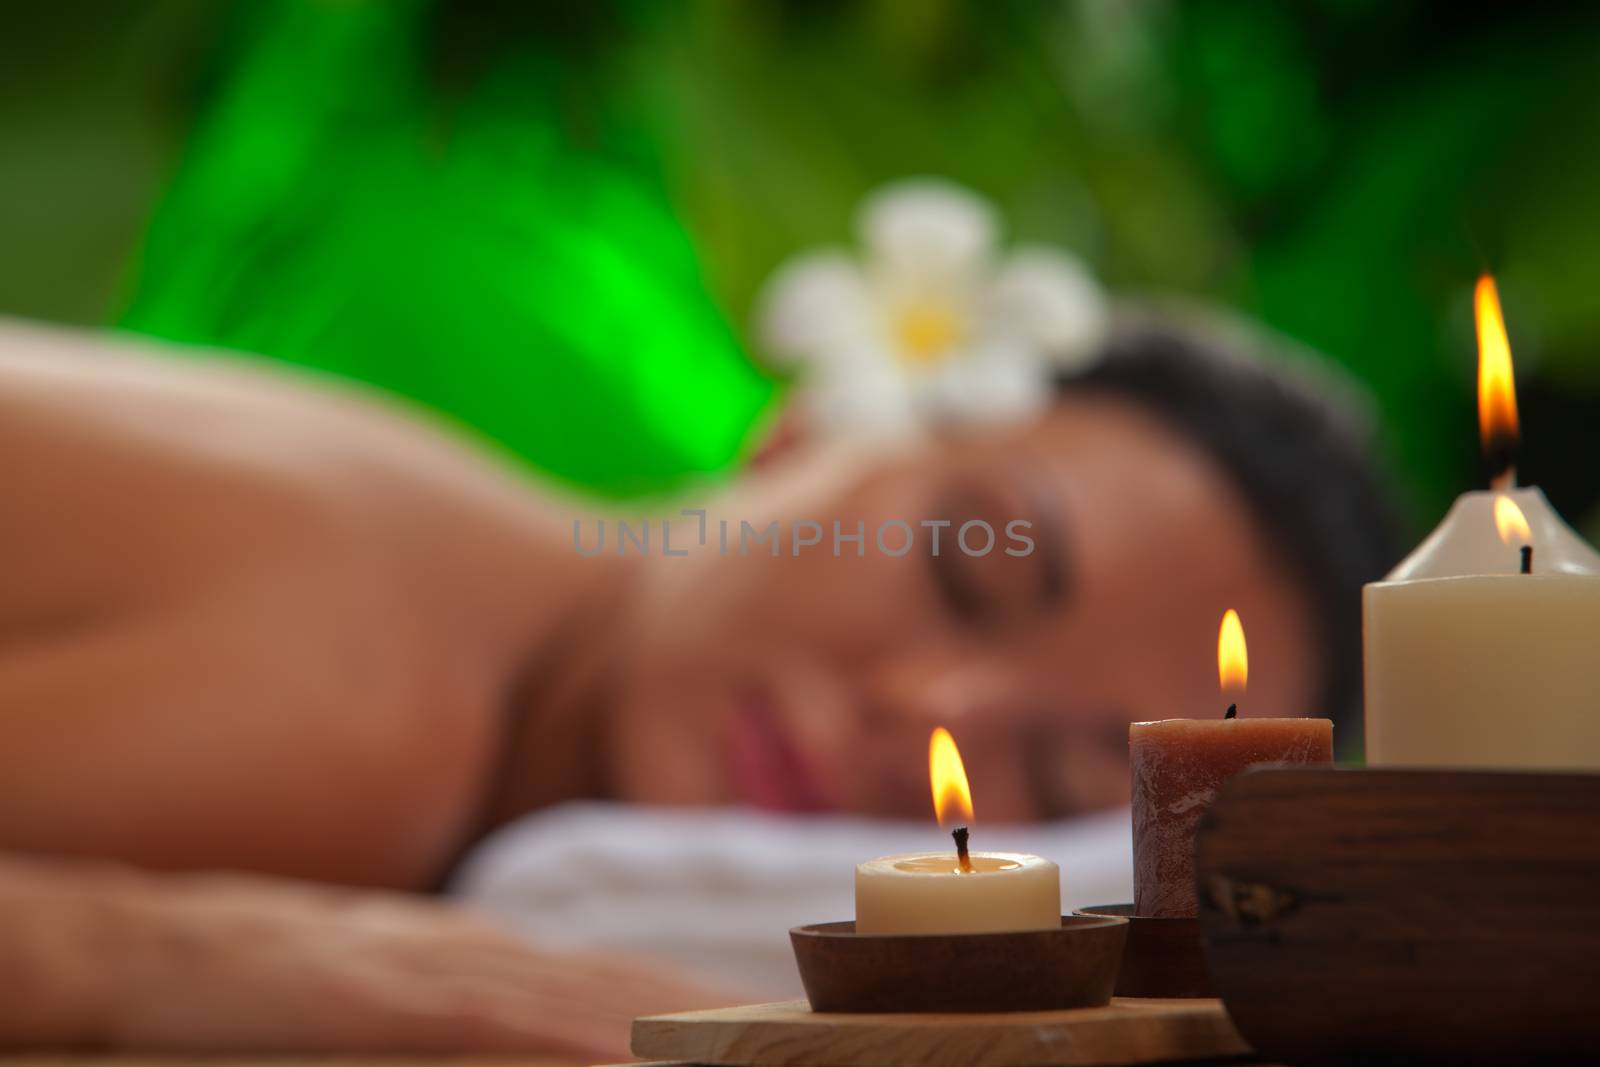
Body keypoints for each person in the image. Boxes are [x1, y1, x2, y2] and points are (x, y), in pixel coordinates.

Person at [0, 308, 1395, 1056]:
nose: (929, 716)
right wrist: (124, 956)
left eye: (1052, 782)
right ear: (805, 437)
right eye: (963, 565)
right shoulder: (364, 709)